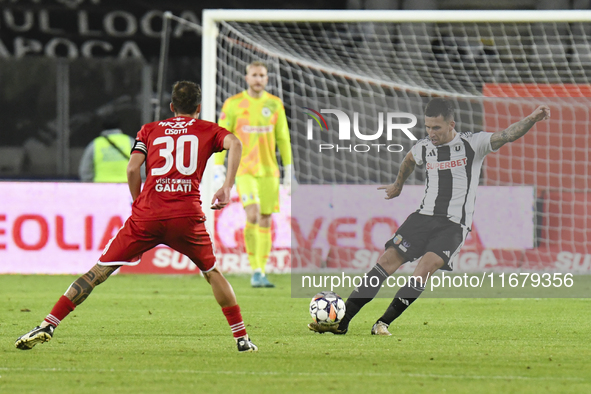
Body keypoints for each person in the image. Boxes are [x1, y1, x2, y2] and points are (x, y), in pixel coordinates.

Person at [15, 81, 258, 353]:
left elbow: (132, 170)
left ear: (171, 107)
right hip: (186, 216)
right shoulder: (207, 130)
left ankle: (49, 323)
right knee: (211, 273)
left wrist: (138, 201)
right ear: (198, 108)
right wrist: (226, 187)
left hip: (147, 215)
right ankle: (241, 339)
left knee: (98, 272)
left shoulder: (150, 130)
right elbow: (235, 143)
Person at [308, 98, 551, 336]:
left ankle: (382, 323)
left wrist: (531, 118)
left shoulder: (473, 144)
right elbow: (409, 160)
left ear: (451, 124)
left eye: (436, 127)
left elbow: (507, 134)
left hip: (454, 225)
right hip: (422, 218)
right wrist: (398, 185)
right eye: (427, 127)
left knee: (424, 269)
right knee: (385, 262)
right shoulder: (424, 147)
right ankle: (343, 322)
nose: (431, 132)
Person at [213, 60, 294, 288]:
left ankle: (261, 270)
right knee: (253, 214)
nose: (258, 79)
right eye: (255, 75)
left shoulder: (275, 104)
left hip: (269, 171)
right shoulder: (233, 104)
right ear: (247, 78)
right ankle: (255, 269)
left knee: (266, 218)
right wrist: (219, 165)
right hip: (244, 170)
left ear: (267, 79)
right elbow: (221, 135)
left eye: (262, 75)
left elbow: (283, 138)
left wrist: (289, 169)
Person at [79, 119, 137, 183]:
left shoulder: (94, 144)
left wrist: (91, 185)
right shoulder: (130, 142)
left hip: (101, 186)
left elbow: (86, 170)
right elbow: (142, 163)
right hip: (127, 185)